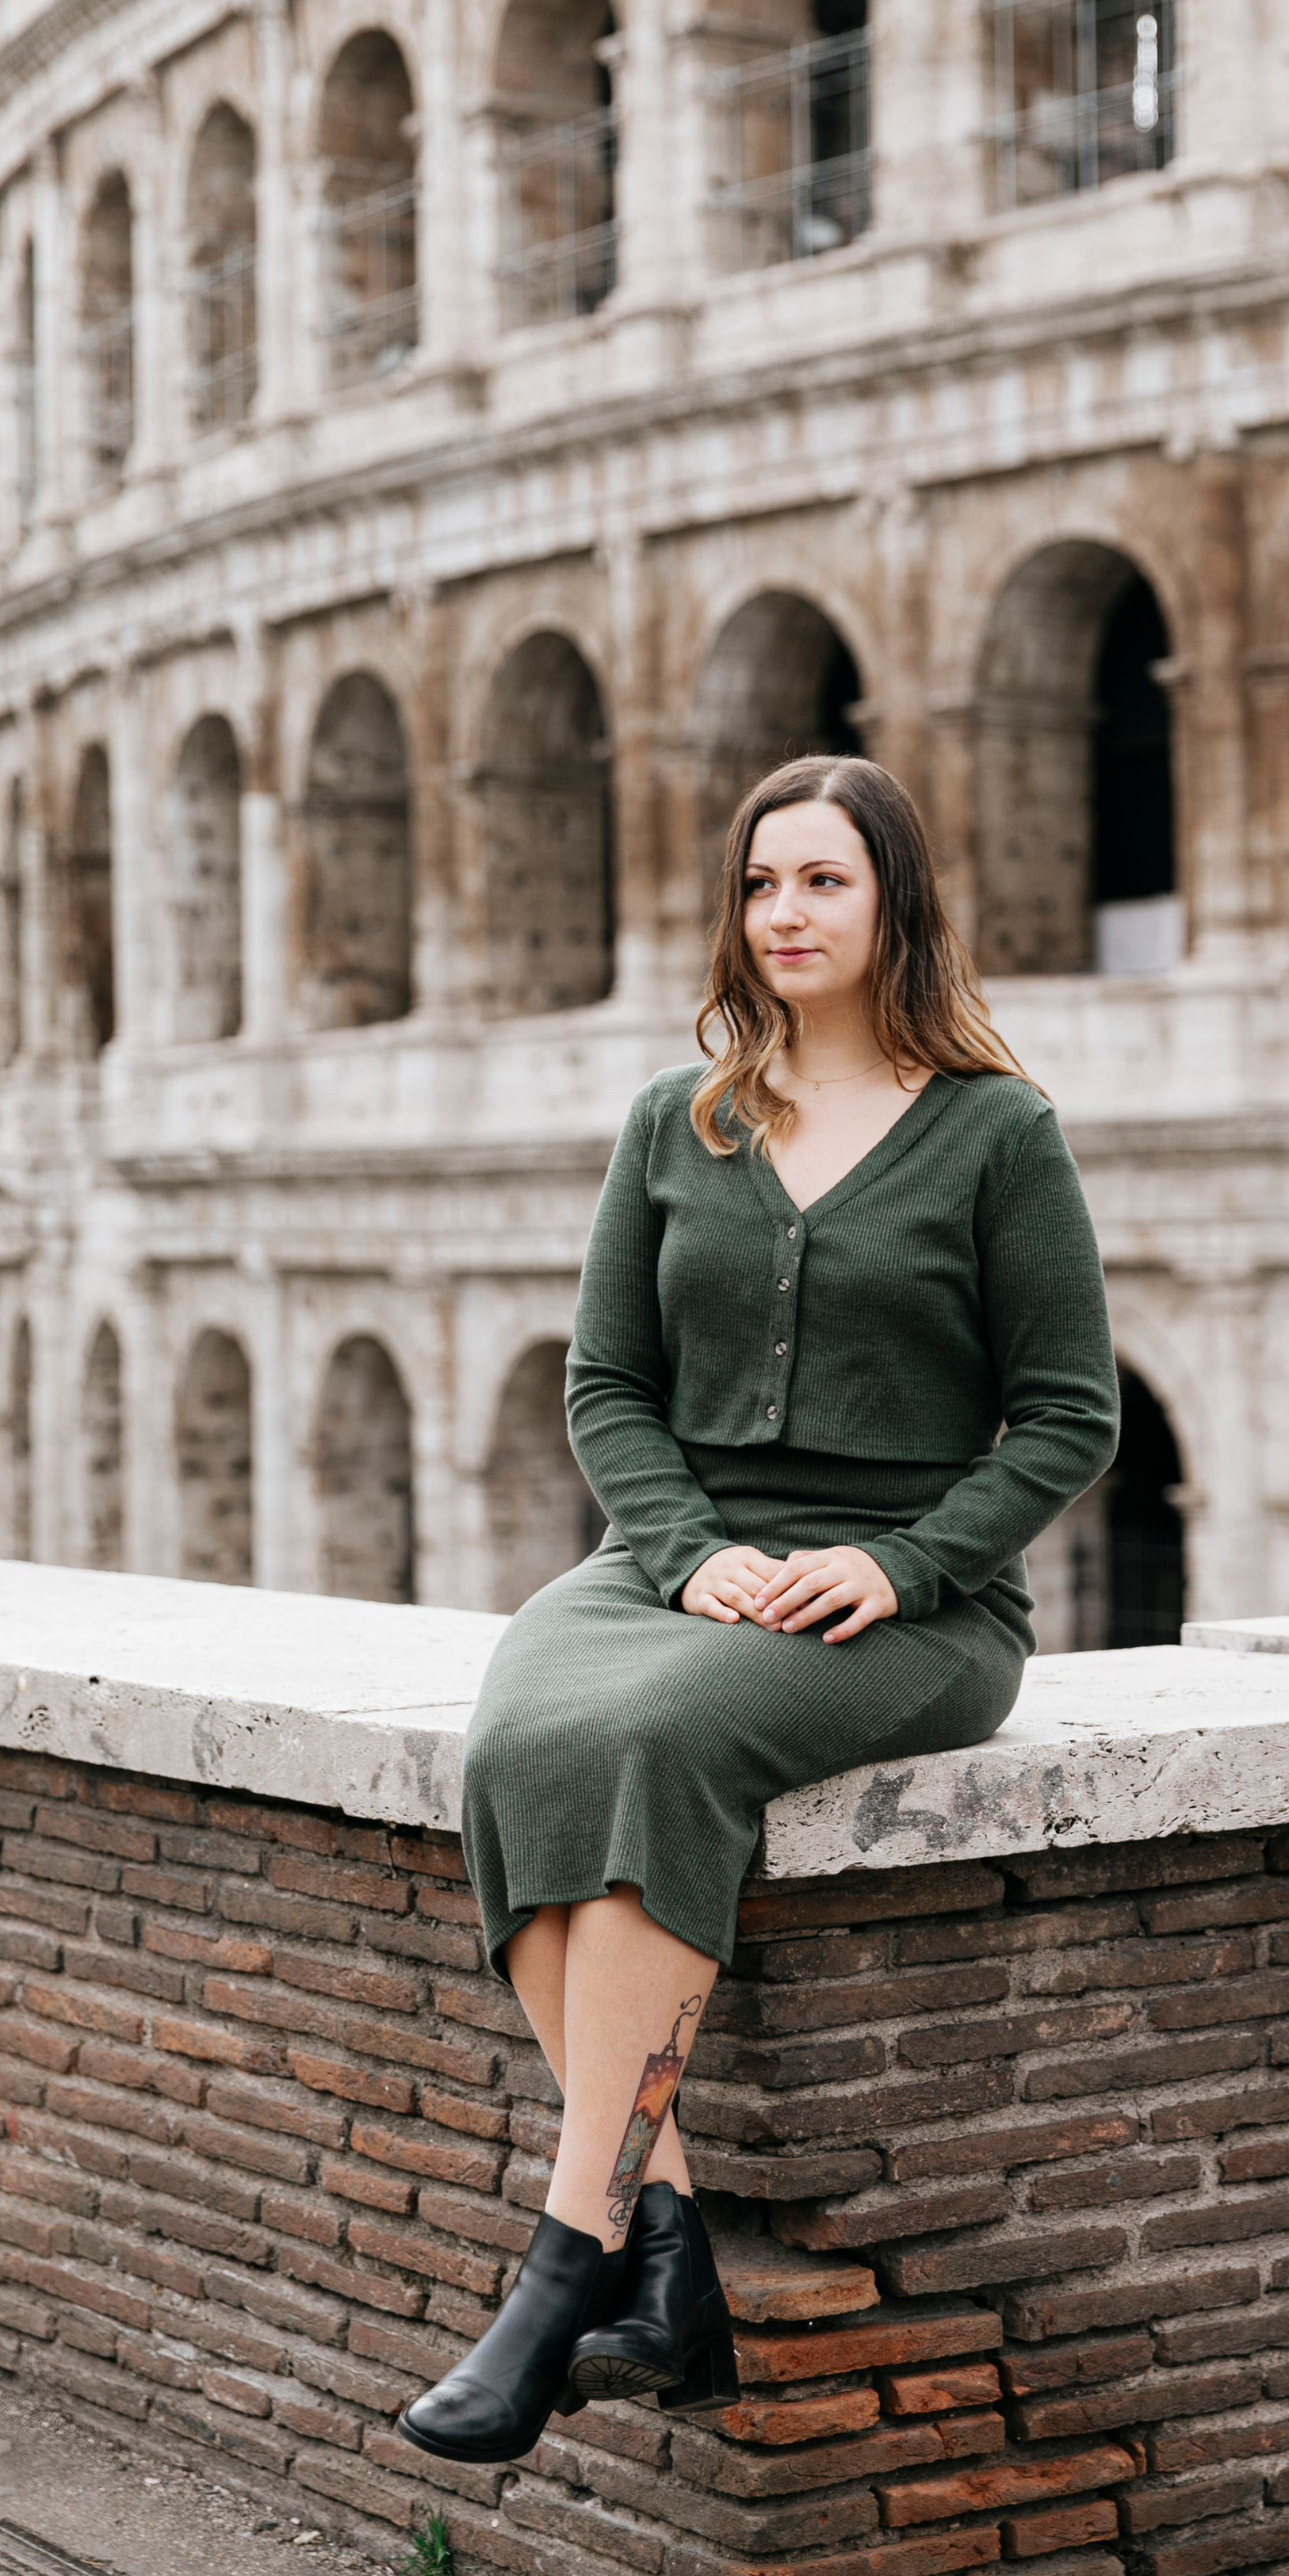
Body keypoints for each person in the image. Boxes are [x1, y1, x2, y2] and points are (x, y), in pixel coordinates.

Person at [399, 755, 1119, 2463]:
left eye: (822, 881)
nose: (783, 914)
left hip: (910, 1605)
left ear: (894, 902)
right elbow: (606, 1383)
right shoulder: (679, 1118)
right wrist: (680, 1550)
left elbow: (1067, 1414)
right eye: (758, 884)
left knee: (657, 1743)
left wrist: (903, 1564)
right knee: (520, 1742)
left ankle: (562, 2269)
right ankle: (667, 2261)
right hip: (674, 1568)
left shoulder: (996, 1132)